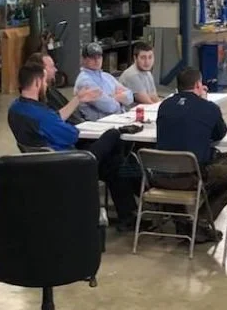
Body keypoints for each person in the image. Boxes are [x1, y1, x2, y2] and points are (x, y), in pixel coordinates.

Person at [7, 62, 139, 229]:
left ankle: (128, 216)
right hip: (70, 163)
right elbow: (71, 134)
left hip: (44, 163)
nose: (46, 85)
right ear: (38, 83)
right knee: (114, 135)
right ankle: (137, 198)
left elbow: (54, 119)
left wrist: (78, 99)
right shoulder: (40, 115)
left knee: (114, 163)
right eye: (45, 82)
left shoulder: (16, 109)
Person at [156, 67, 227, 243]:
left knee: (174, 166)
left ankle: (182, 221)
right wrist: (204, 102)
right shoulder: (209, 108)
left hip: (159, 176)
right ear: (198, 85)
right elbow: (220, 133)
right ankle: (201, 223)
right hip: (190, 177)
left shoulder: (164, 105)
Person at [26, 52, 100, 125]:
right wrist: (78, 99)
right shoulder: (39, 98)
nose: (55, 70)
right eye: (52, 66)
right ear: (42, 71)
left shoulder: (51, 90)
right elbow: (56, 119)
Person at [74, 42, 133, 121]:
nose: (96, 60)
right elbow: (109, 106)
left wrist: (114, 97)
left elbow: (130, 96)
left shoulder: (106, 76)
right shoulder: (84, 81)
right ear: (83, 59)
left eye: (99, 57)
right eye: (92, 57)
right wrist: (120, 100)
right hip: (100, 125)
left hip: (118, 119)